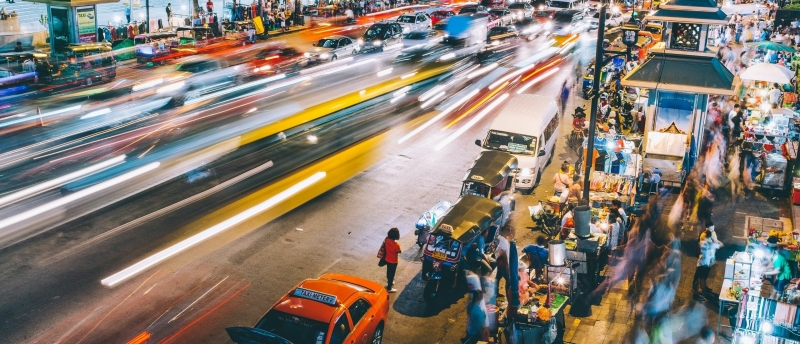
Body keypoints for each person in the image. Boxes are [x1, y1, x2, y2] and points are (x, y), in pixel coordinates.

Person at [693, 221, 722, 301]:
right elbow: (718, 244)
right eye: (712, 227)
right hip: (702, 262)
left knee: (703, 277)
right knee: (699, 277)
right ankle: (696, 292)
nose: (713, 228)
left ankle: (704, 288)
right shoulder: (705, 241)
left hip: (706, 262)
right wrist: (714, 242)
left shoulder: (709, 240)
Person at [465, 277, 489, 342]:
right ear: (481, 298)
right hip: (475, 334)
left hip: (469, 329)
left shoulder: (469, 304)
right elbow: (482, 329)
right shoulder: (479, 312)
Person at [382, 227, 401, 293]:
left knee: (388, 271)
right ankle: (389, 287)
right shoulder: (396, 245)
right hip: (393, 261)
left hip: (387, 259)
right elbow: (399, 251)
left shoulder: (387, 240)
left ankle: (389, 280)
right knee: (392, 273)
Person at [495, 226, 511, 296]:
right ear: (506, 231)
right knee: (508, 279)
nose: (510, 232)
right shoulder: (503, 241)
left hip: (499, 262)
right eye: (509, 231)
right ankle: (508, 294)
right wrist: (507, 265)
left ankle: (496, 292)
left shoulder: (500, 238)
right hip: (503, 263)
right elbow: (504, 254)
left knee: (498, 277)